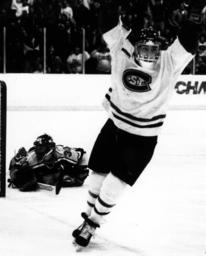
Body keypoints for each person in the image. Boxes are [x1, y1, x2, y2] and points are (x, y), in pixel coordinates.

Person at [72, 0, 205, 249]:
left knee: (115, 182)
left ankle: (91, 224)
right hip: (114, 126)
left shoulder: (169, 61)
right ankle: (88, 219)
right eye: (145, 48)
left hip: (142, 137)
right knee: (96, 176)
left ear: (160, 49)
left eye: (154, 49)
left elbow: (187, 41)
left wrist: (194, 17)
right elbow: (108, 22)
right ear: (136, 46)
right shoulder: (123, 49)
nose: (149, 54)